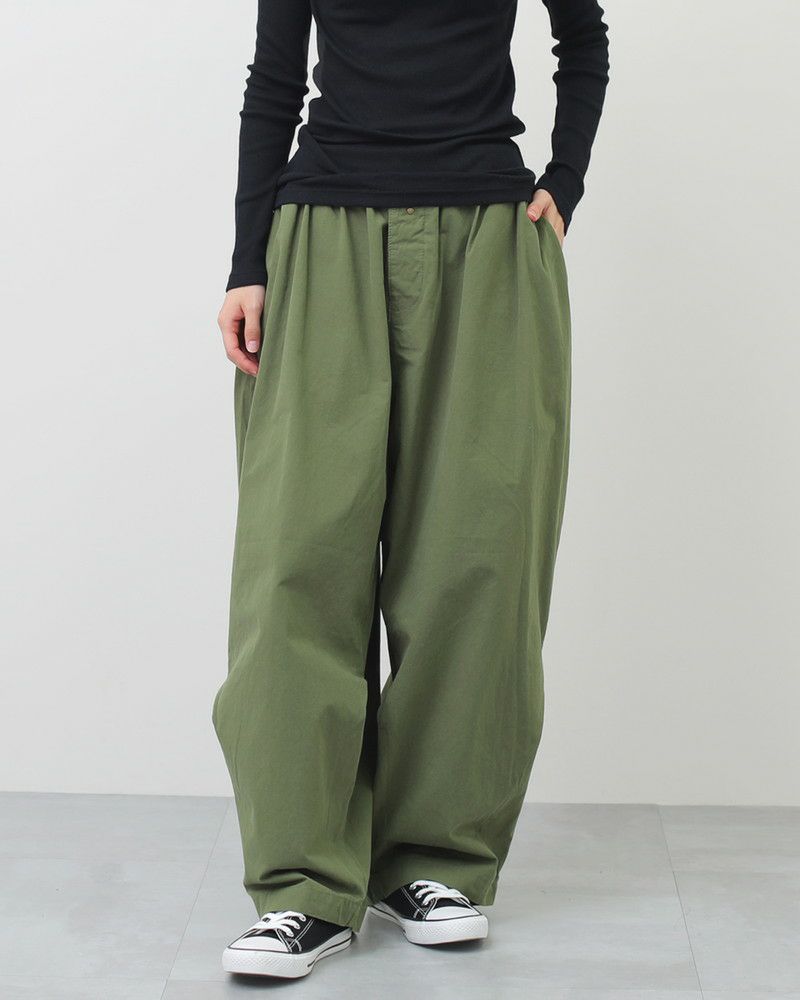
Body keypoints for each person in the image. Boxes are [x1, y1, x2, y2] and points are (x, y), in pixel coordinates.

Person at [213, 0, 609, 980]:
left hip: (488, 237)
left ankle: (436, 863)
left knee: (476, 561)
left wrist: (564, 178)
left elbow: (583, 35)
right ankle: (303, 885)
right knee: (297, 564)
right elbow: (273, 82)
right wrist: (246, 263)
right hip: (320, 233)